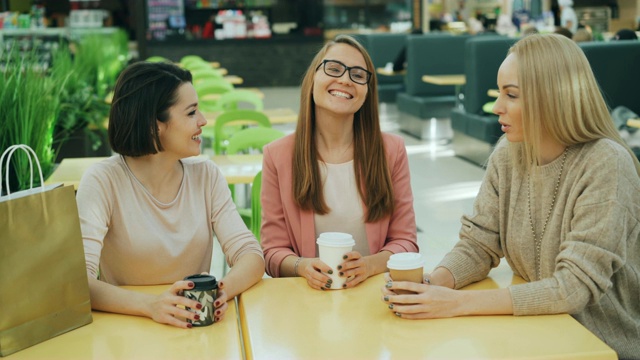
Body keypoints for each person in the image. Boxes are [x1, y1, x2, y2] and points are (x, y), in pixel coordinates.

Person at [382, 34, 640, 359]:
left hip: (602, 347)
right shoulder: (510, 152)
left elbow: (575, 287)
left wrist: (458, 304)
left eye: (511, 95)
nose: (496, 107)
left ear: (554, 97)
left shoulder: (606, 163)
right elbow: (480, 243)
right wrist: (437, 283)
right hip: (539, 334)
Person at [76, 62, 265, 328]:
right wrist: (151, 306)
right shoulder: (102, 181)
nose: (203, 121)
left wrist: (222, 292)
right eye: (191, 113)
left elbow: (251, 254)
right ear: (155, 126)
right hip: (124, 329)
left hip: (194, 328)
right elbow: (78, 283)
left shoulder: (206, 176)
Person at [261, 35, 419, 290]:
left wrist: (370, 265)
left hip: (372, 297)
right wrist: (301, 266)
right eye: (333, 69)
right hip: (308, 302)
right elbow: (272, 252)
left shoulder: (392, 150)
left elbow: (405, 242)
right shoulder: (277, 155)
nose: (345, 80)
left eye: (358, 75)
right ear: (313, 78)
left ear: (367, 92)